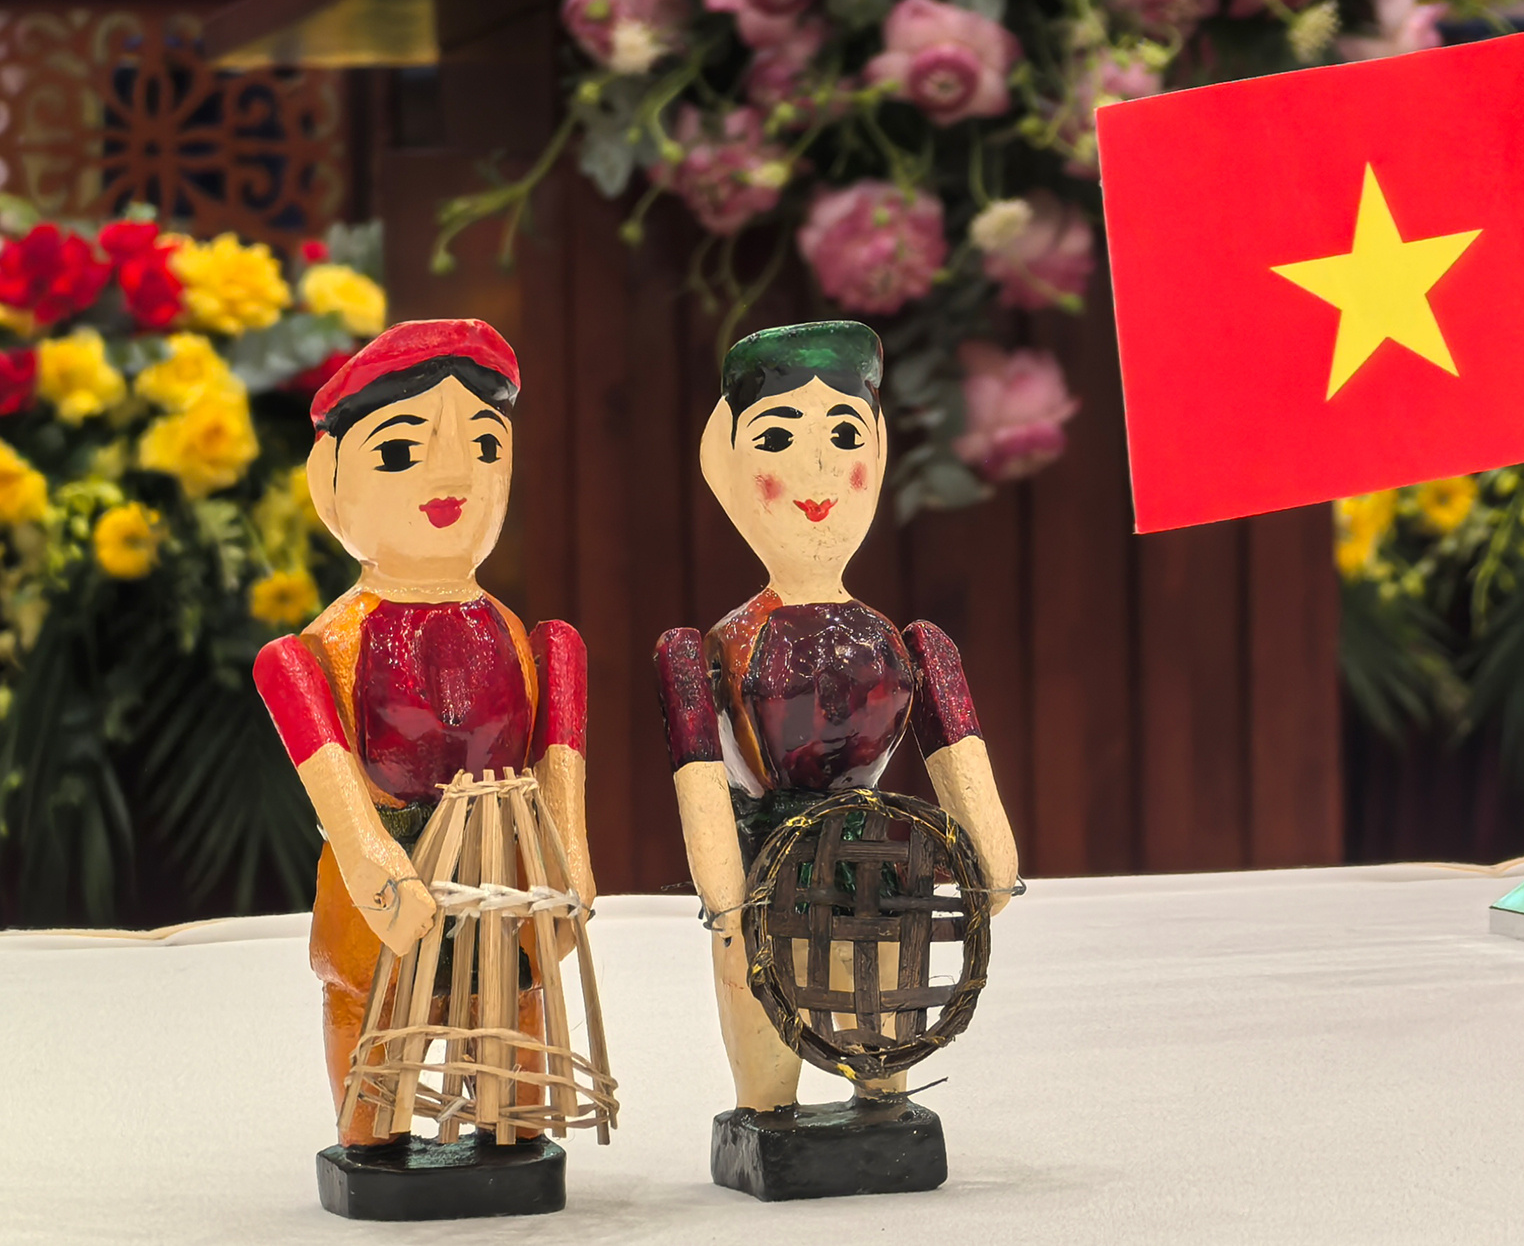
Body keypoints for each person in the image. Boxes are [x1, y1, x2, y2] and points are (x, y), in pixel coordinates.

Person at [655, 320, 1020, 1114]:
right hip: (763, 862)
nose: (818, 469)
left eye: (845, 436)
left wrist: (991, 858)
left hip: (880, 855)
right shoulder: (712, 647)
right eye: (776, 439)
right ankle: (768, 1109)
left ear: (877, 457)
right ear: (725, 465)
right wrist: (724, 889)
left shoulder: (910, 642)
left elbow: (958, 753)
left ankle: (881, 1093)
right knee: (763, 1002)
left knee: (882, 1002)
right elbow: (702, 777)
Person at [251, 318, 593, 1150]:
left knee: (509, 1008)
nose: (451, 476)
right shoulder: (320, 648)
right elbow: (338, 793)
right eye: (401, 451)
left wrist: (568, 866)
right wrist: (375, 864)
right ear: (329, 480)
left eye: (484, 447)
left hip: (501, 865)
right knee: (372, 1012)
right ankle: (375, 1141)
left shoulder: (530, 637)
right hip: (388, 870)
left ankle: (508, 1131)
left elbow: (558, 776)